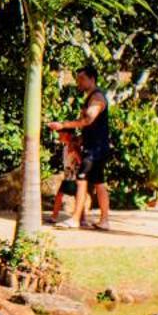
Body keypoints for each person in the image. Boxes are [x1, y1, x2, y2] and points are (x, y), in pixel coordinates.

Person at [50, 67, 112, 231]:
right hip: (95, 146)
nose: (79, 82)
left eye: (82, 79)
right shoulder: (91, 97)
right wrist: (79, 138)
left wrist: (63, 125)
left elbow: (88, 119)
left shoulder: (97, 97)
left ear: (92, 79)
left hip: (95, 149)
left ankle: (76, 219)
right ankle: (104, 220)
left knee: (81, 180)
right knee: (99, 183)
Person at [48, 127, 83, 228]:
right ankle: (54, 216)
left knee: (74, 196)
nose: (59, 136)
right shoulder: (66, 147)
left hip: (73, 176)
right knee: (62, 195)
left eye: (61, 134)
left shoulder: (73, 147)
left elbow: (80, 161)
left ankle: (82, 218)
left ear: (67, 135)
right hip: (68, 176)